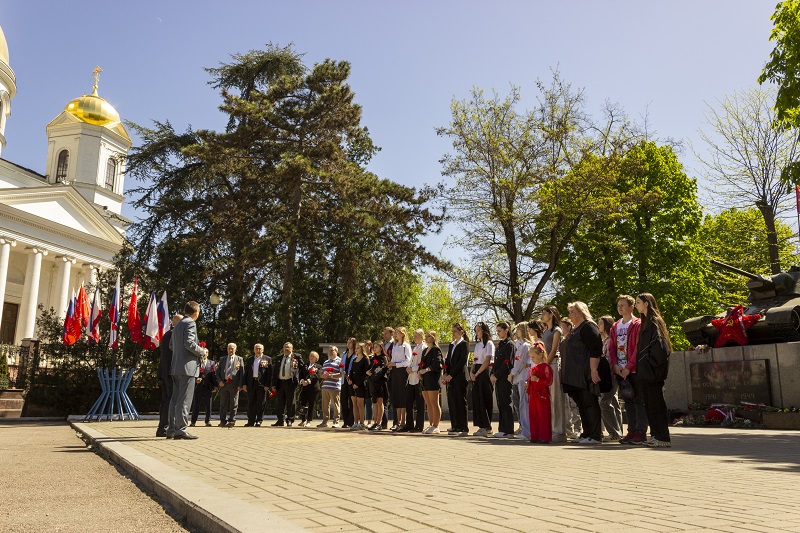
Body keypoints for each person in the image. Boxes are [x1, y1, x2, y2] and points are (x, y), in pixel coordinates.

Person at [562, 302, 604, 444]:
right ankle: (587, 433)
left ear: (581, 312)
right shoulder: (575, 329)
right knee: (581, 403)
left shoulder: (588, 327)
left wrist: (593, 370)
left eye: (573, 312)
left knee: (590, 402)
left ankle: (595, 435)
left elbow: (595, 349)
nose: (570, 315)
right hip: (574, 375)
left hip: (586, 372)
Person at [635, 293, 673, 448]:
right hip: (646, 371)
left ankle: (663, 437)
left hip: (652, 372)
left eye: (638, 302)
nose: (636, 305)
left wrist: (649, 364)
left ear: (647, 303)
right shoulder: (646, 322)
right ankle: (656, 435)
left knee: (656, 405)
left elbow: (661, 348)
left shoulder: (654, 322)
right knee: (650, 405)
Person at [609, 295, 646, 445]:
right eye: (618, 305)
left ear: (631, 308)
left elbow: (638, 347)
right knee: (628, 401)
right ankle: (631, 431)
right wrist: (615, 365)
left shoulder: (637, 324)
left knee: (638, 401)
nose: (620, 307)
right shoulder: (615, 326)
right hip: (620, 369)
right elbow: (612, 347)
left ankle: (640, 432)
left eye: (623, 305)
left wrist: (629, 367)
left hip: (633, 369)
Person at [167, 303, 207, 440]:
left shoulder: (177, 325)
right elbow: (189, 343)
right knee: (184, 400)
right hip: (187, 368)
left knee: (175, 400)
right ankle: (181, 430)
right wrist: (202, 351)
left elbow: (171, 346)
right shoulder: (190, 323)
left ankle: (171, 429)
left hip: (176, 367)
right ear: (196, 311)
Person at [541, 306, 565, 442]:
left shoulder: (557, 330)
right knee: (548, 399)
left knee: (556, 398)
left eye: (544, 313)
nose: (542, 316)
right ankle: (550, 428)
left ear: (551, 315)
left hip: (554, 364)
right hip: (545, 365)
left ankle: (560, 431)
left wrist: (546, 364)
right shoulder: (545, 331)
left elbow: (554, 349)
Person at [598, 316, 623, 442]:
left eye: (601, 323)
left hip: (611, 375)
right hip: (608, 375)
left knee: (604, 402)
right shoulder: (605, 340)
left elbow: (611, 358)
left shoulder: (611, 340)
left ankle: (614, 433)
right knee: (613, 402)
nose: (598, 325)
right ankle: (618, 432)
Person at [157, 314, 183, 437]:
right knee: (171, 400)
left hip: (165, 372)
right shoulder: (174, 335)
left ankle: (162, 427)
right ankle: (164, 427)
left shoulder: (167, 334)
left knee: (166, 400)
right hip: (170, 373)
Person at [271, 342, 305, 427]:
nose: (287, 349)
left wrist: (300, 379)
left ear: (292, 349)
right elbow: (275, 371)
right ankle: (280, 420)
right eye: (285, 347)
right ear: (283, 348)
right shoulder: (279, 357)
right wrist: (274, 384)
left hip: (290, 382)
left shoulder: (296, 357)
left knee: (291, 402)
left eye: (288, 347)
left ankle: (290, 420)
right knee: (280, 402)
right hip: (280, 382)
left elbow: (303, 368)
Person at [490, 322, 515, 438]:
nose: (498, 333)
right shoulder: (500, 344)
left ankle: (508, 430)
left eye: (500, 331)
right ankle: (502, 428)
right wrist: (492, 373)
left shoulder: (510, 344)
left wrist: (497, 375)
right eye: (497, 331)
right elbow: (496, 362)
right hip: (498, 378)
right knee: (500, 402)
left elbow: (507, 363)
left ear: (506, 330)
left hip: (505, 377)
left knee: (506, 402)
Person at [444, 323, 469, 436]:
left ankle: (463, 427)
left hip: (459, 377)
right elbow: (448, 360)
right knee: (452, 401)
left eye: (455, 331)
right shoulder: (452, 344)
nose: (453, 333)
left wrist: (452, 374)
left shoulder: (464, 344)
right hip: (451, 378)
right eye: (452, 331)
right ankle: (454, 425)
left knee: (460, 401)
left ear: (461, 332)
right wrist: (445, 373)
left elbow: (462, 361)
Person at [509, 321, 533, 440]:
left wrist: (512, 373)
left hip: (523, 377)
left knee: (524, 404)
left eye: (518, 329)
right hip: (519, 377)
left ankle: (527, 431)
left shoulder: (525, 346)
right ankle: (525, 429)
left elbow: (520, 362)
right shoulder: (520, 345)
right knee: (521, 404)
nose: (516, 332)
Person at [559, 318, 582, 439]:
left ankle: (577, 428)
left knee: (574, 404)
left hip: (573, 374)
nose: (561, 329)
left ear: (569, 327)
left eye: (563, 327)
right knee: (566, 404)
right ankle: (568, 428)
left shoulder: (573, 339)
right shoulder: (562, 341)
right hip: (564, 373)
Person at [470, 322, 494, 437]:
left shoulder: (489, 343)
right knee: (477, 398)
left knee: (484, 397)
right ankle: (481, 425)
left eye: (478, 330)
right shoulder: (477, 345)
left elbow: (487, 360)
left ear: (484, 331)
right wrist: (472, 372)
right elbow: (475, 360)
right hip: (477, 371)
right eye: (476, 331)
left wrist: (478, 372)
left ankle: (487, 426)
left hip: (484, 371)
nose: (477, 333)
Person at [527, 341, 553, 444]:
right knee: (533, 414)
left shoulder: (546, 367)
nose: (532, 359)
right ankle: (535, 435)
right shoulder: (534, 368)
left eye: (533, 357)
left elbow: (549, 382)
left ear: (540, 355)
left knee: (543, 415)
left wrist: (538, 380)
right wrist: (528, 382)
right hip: (533, 393)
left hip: (542, 394)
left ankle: (544, 436)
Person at [388, 327, 412, 431]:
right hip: (394, 372)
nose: (395, 335)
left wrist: (396, 364)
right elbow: (393, 359)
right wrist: (391, 364)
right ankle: (397, 422)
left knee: (402, 396)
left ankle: (403, 422)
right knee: (396, 396)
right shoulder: (395, 345)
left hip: (402, 372)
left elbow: (408, 361)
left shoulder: (406, 346)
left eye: (397, 333)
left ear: (402, 334)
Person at [419, 331, 444, 434]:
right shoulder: (425, 350)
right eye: (426, 336)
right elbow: (421, 363)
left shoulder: (436, 349)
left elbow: (437, 363)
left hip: (433, 378)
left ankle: (436, 426)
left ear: (434, 338)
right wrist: (419, 372)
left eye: (429, 336)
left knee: (434, 402)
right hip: (425, 379)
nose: (427, 338)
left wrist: (426, 370)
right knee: (428, 403)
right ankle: (431, 424)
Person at [243, 343, 271, 427]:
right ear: (254, 350)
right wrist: (244, 384)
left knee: (261, 403)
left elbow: (269, 373)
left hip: (261, 384)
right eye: (256, 348)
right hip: (251, 383)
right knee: (251, 402)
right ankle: (250, 421)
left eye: (259, 349)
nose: (258, 350)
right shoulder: (250, 359)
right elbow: (246, 372)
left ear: (263, 350)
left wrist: (267, 385)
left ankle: (259, 420)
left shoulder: (267, 359)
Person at [217, 343, 244, 428]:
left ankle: (231, 421)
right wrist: (219, 381)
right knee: (223, 403)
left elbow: (242, 373)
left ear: (235, 349)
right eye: (229, 348)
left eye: (232, 348)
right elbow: (217, 372)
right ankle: (222, 421)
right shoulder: (222, 359)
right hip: (224, 384)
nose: (230, 350)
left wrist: (240, 385)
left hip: (234, 384)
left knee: (234, 403)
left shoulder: (239, 359)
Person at [405, 329, 426, 433]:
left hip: (418, 377)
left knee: (420, 404)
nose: (415, 338)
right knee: (408, 403)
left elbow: (422, 364)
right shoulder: (415, 347)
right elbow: (411, 361)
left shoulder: (424, 348)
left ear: (422, 336)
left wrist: (412, 369)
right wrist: (408, 367)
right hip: (411, 379)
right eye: (414, 336)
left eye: (417, 336)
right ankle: (409, 424)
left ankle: (419, 425)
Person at [190, 347, 215, 427]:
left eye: (206, 353)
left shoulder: (212, 363)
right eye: (203, 352)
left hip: (208, 387)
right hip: (199, 387)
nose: (204, 354)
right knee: (196, 405)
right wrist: (195, 379)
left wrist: (215, 386)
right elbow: (193, 373)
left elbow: (213, 375)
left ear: (208, 354)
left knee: (208, 405)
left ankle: (208, 421)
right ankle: (193, 421)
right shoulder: (197, 362)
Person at [367, 342, 389, 431]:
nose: (375, 348)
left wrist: (376, 373)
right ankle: (375, 422)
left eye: (376, 347)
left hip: (380, 382)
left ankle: (379, 423)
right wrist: (368, 372)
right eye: (374, 347)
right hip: (372, 382)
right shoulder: (372, 358)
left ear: (381, 348)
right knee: (374, 403)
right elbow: (369, 368)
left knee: (380, 402)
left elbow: (384, 369)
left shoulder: (384, 358)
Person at [318, 346, 342, 428]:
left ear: (336, 351)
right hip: (325, 386)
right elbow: (322, 373)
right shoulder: (326, 362)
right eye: (329, 351)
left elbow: (341, 373)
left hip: (335, 386)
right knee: (325, 405)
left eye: (332, 351)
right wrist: (322, 375)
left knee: (335, 404)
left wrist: (331, 375)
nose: (330, 352)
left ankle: (336, 421)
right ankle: (325, 421)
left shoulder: (340, 361)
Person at [348, 343, 369, 430]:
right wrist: (350, 379)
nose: (356, 349)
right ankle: (355, 422)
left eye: (358, 348)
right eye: (355, 348)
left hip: (360, 385)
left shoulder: (365, 359)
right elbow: (351, 371)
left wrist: (358, 384)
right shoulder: (354, 360)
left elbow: (365, 373)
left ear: (362, 349)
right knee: (354, 403)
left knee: (360, 404)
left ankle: (362, 423)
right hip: (353, 384)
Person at [298, 351, 322, 427]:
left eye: (313, 356)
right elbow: (300, 374)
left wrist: (308, 381)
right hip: (304, 387)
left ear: (316, 358)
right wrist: (302, 380)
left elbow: (318, 376)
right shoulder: (305, 365)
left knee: (311, 404)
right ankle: (303, 420)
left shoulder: (319, 366)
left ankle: (309, 421)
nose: (311, 357)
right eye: (310, 356)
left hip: (313, 388)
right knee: (303, 403)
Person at [340, 337, 356, 428]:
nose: (348, 344)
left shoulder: (355, 354)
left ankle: (351, 421)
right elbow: (341, 365)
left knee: (352, 401)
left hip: (351, 380)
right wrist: (342, 370)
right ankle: (345, 421)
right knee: (343, 401)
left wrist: (350, 375)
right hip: (344, 380)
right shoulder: (344, 354)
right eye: (348, 342)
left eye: (350, 342)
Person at [383, 327, 396, 429]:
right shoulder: (383, 345)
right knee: (384, 398)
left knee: (394, 398)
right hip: (384, 374)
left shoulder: (395, 344)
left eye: (386, 333)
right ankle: (383, 422)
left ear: (392, 334)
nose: (384, 335)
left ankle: (396, 422)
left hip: (393, 373)